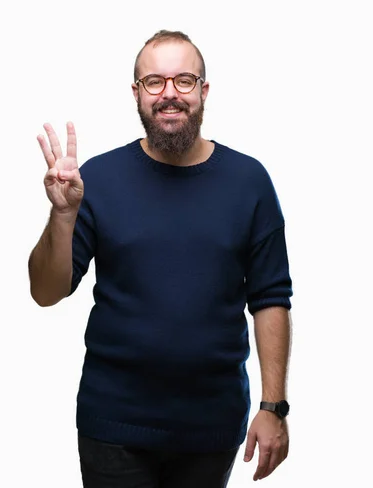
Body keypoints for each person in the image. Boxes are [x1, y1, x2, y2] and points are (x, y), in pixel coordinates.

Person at [28, 30, 293, 488]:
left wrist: (273, 407)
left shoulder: (248, 181)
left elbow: (271, 298)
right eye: (154, 82)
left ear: (204, 91)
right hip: (114, 425)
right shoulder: (98, 179)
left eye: (184, 80)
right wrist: (63, 214)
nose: (170, 94)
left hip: (211, 426)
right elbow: (45, 292)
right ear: (137, 94)